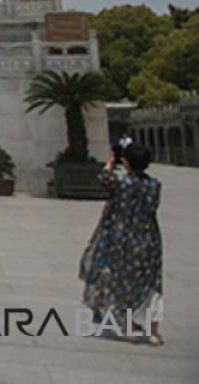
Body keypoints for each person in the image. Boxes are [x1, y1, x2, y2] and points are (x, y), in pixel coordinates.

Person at [79, 143, 163, 345]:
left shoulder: (122, 184)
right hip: (149, 238)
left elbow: (103, 178)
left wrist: (110, 161)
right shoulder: (155, 185)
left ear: (125, 162)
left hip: (122, 240)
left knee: (122, 282)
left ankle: (126, 327)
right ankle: (153, 332)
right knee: (152, 284)